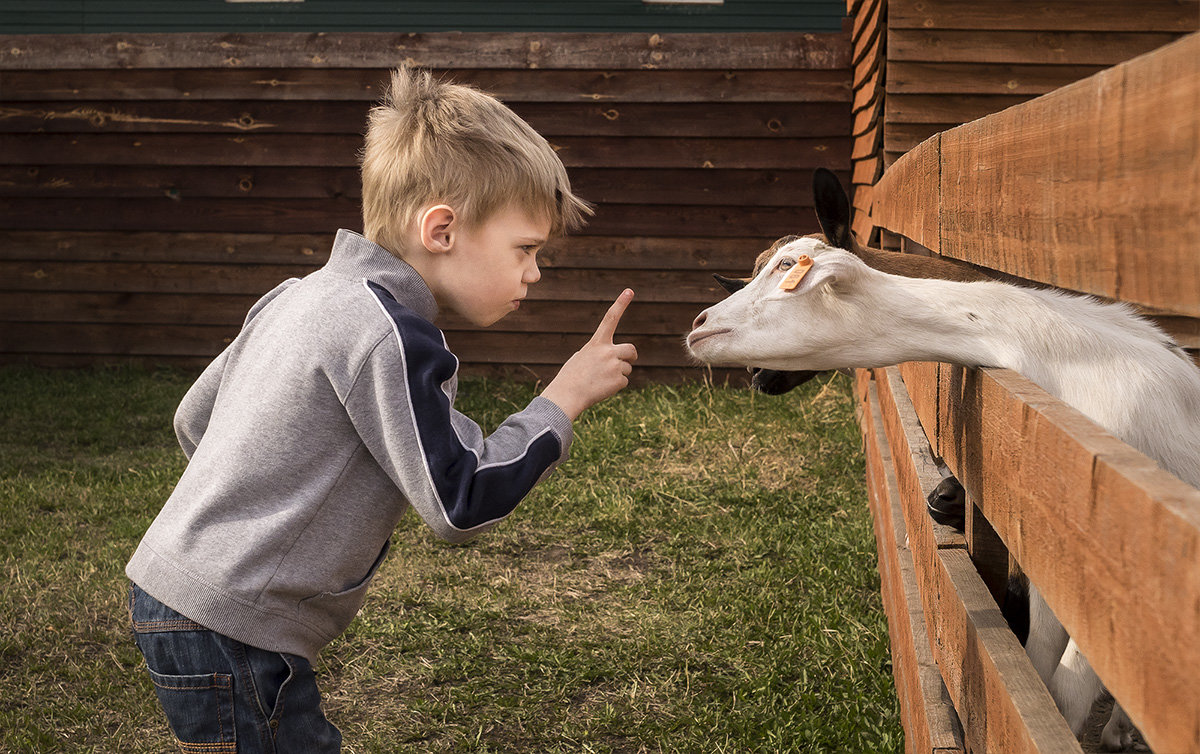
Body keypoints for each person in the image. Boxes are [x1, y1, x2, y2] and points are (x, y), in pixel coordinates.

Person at [125, 67, 638, 752]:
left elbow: (195, 420)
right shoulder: (392, 333)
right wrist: (564, 397)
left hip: (169, 592)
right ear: (442, 229)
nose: (534, 272)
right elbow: (462, 500)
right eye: (525, 248)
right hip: (234, 625)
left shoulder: (296, 294)